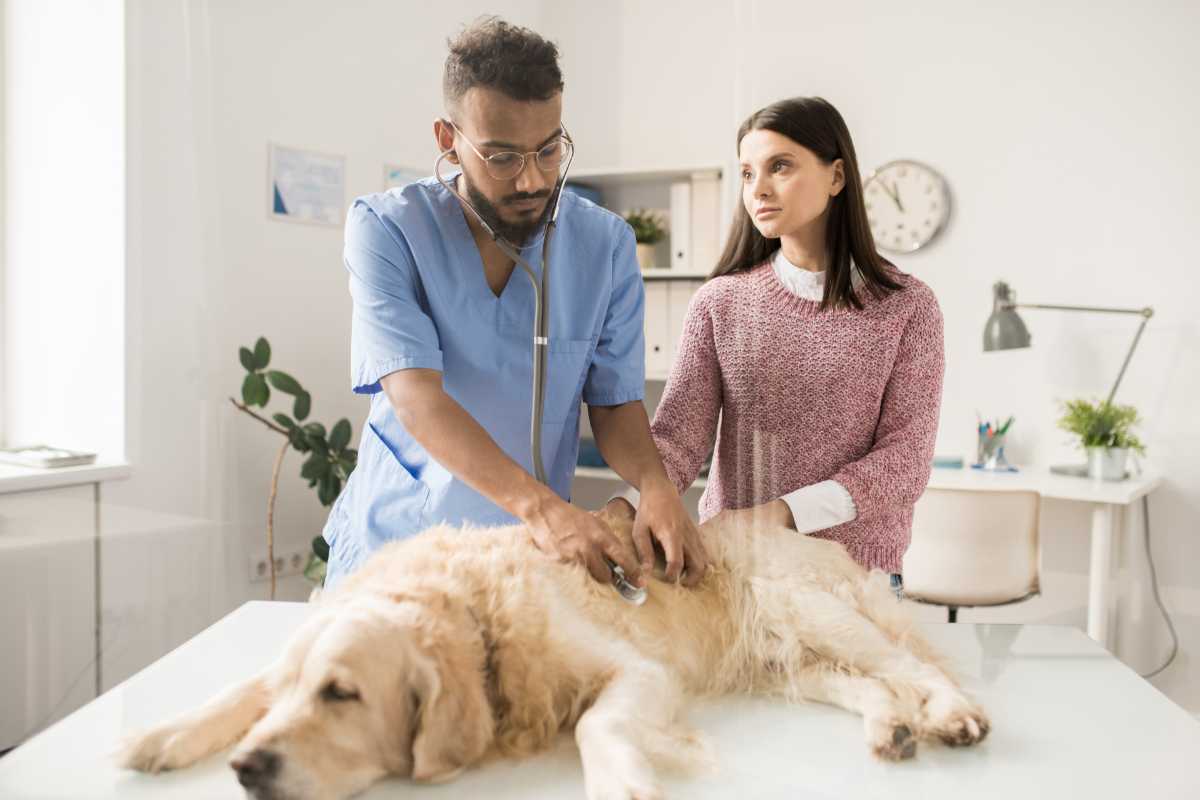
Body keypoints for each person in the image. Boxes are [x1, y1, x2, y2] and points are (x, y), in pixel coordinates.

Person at [322, 17, 708, 591]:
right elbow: (416, 400)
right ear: (447, 140)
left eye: (549, 150)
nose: (531, 179)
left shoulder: (604, 246)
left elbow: (614, 406)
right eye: (502, 157)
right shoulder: (387, 230)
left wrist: (655, 485)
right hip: (401, 548)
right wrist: (543, 509)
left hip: (528, 561)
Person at [609, 96, 944, 587]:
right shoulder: (719, 304)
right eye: (747, 174)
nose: (758, 189)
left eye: (779, 167)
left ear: (836, 176)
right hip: (735, 574)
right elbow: (678, 440)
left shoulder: (908, 307)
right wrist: (626, 506)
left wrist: (779, 514)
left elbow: (904, 462)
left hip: (854, 582)